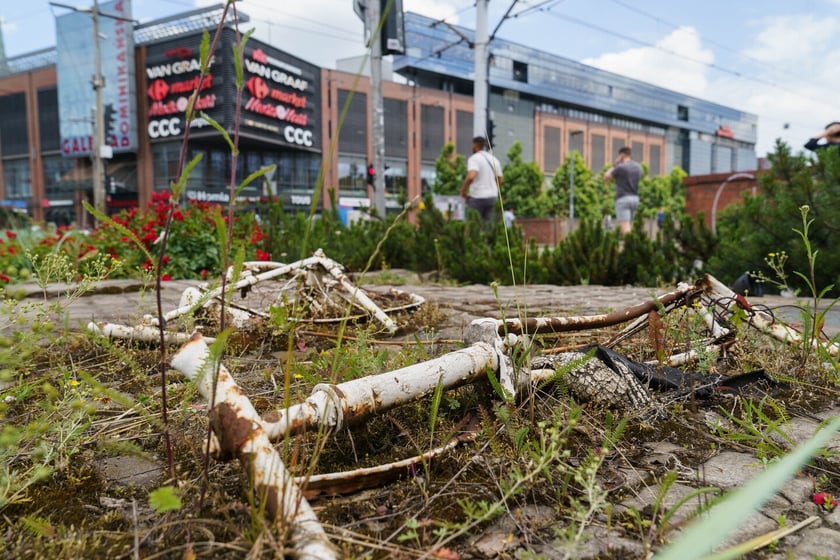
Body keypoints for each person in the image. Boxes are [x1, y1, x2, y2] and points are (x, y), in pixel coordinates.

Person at [460, 136, 503, 221]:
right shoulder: (494, 159)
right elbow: (500, 180)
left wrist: (463, 191)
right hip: (492, 197)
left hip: (477, 197)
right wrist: (493, 189)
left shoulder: (474, 158)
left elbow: (471, 176)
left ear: (475, 145)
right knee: (489, 227)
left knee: (474, 226)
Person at [604, 146, 642, 234]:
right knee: (629, 225)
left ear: (621, 155)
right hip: (635, 198)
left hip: (623, 199)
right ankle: (631, 244)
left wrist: (615, 164)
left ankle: (629, 246)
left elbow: (606, 177)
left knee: (624, 227)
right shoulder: (639, 167)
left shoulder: (621, 167)